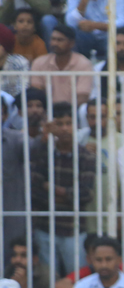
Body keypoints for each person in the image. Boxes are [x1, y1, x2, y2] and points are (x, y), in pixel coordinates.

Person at [28, 102, 94, 278]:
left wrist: (55, 190)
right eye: (59, 124)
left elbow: (85, 195)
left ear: (76, 126)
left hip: (74, 228)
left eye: (69, 123)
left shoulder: (85, 156)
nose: (65, 128)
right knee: (48, 280)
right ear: (52, 127)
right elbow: (34, 191)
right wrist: (69, 195)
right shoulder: (44, 154)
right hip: (45, 227)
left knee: (77, 279)